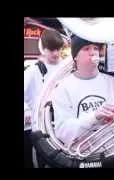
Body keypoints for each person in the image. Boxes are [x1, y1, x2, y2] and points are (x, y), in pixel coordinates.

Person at [52, 34, 114, 168]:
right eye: (86, 49)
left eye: (95, 48)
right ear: (75, 56)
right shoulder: (63, 87)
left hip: (113, 155)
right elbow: (63, 132)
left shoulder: (112, 81)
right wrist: (94, 117)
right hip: (82, 158)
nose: (93, 52)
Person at [24, 29, 65, 168]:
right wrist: (27, 113)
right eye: (51, 49)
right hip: (41, 125)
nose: (55, 53)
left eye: (58, 49)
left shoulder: (66, 66)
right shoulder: (32, 70)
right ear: (43, 48)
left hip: (61, 122)